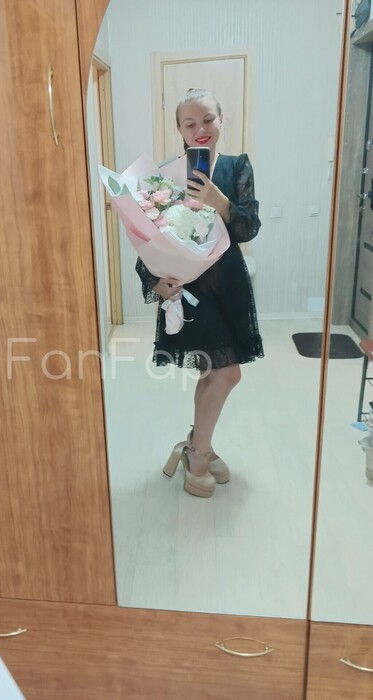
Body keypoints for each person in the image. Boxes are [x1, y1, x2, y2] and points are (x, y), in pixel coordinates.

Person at [136, 88, 264, 498]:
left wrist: (218, 200)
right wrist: (154, 282)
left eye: (208, 119)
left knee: (215, 373)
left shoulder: (236, 166)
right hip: (190, 290)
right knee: (227, 373)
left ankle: (197, 444)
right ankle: (200, 454)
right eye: (190, 123)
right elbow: (146, 239)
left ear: (222, 120)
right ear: (179, 129)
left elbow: (248, 228)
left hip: (229, 286)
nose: (200, 129)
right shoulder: (164, 178)